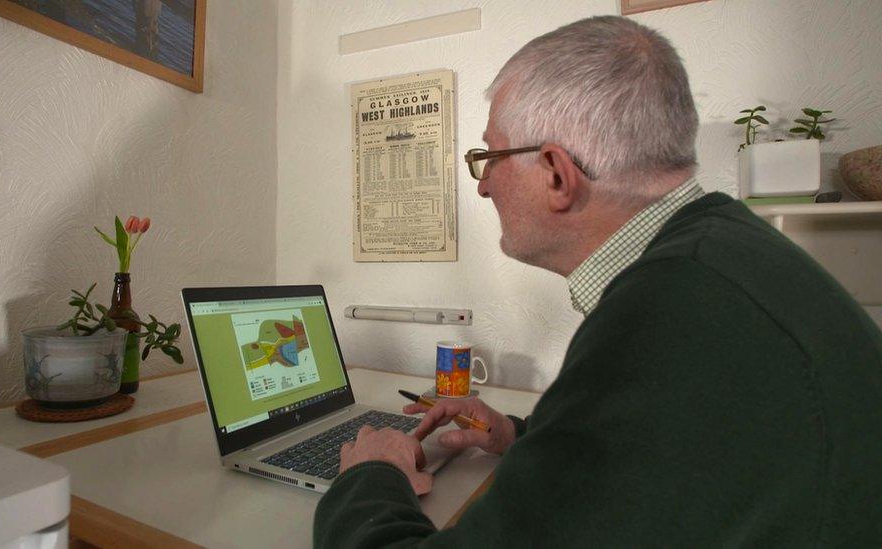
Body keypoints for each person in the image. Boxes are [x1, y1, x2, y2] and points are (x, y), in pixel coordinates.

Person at [314, 15, 882, 547]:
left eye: (489, 158)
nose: (483, 187)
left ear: (558, 175)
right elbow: (660, 444)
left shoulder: (665, 319)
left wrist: (371, 476)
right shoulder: (721, 249)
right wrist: (520, 434)